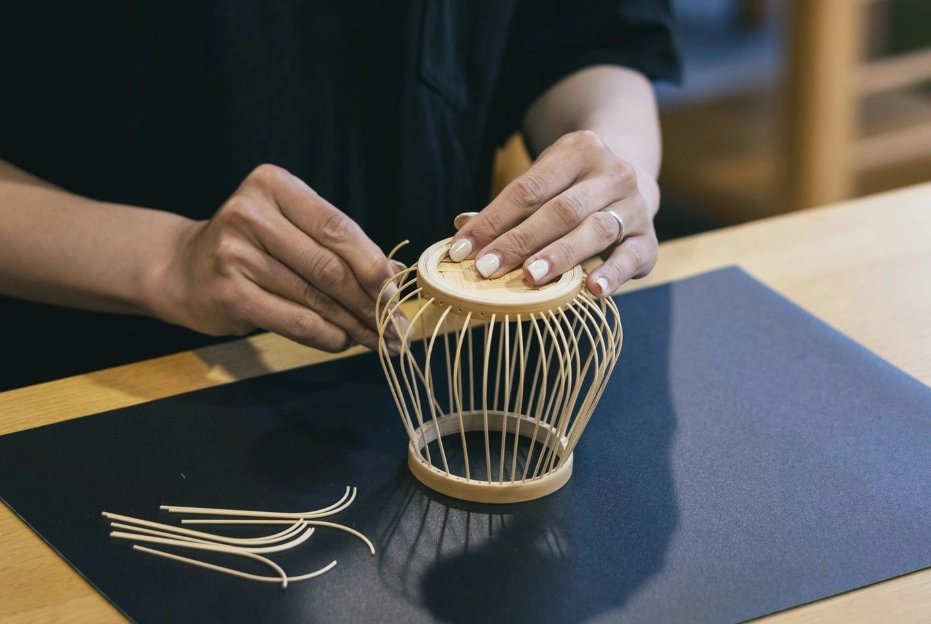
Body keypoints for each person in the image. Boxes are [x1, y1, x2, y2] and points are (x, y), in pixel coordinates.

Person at [0, 1, 680, 391]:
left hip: (442, 367)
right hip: (91, 382)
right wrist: (169, 259)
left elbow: (587, 33)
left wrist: (609, 161)